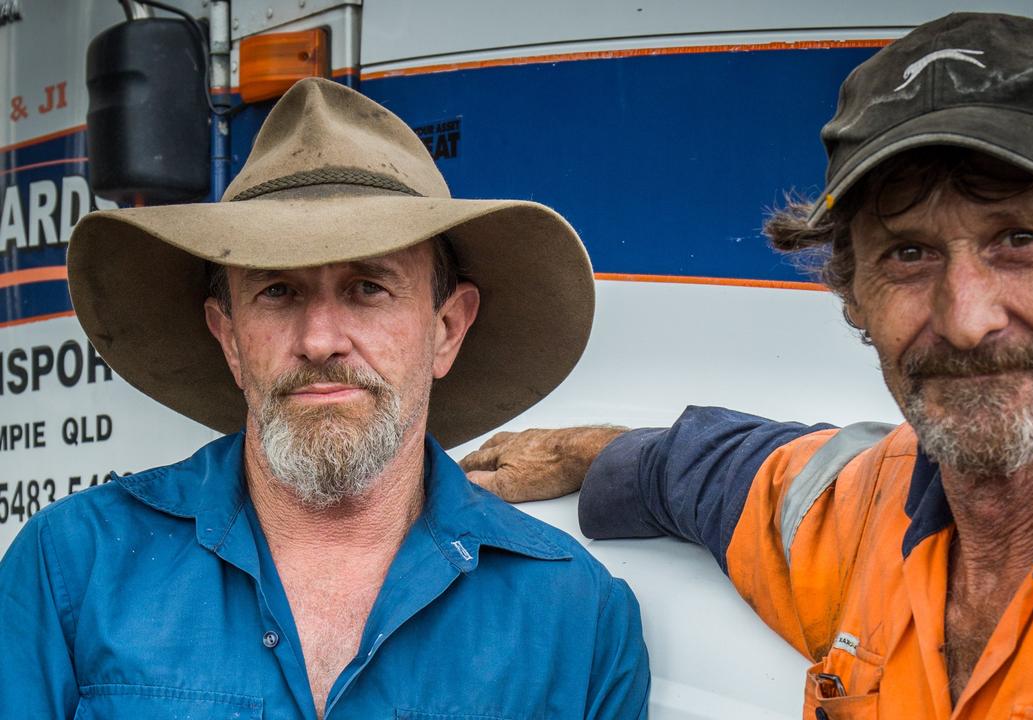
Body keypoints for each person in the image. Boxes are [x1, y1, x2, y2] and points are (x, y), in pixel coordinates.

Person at [461, 13, 1033, 719]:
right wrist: (576, 451)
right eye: (910, 252)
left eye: (1020, 238)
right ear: (851, 291)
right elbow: (707, 471)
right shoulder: (857, 510)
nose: (966, 319)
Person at [0, 78, 648, 719]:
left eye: (368, 287)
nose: (318, 340)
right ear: (227, 336)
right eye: (277, 291)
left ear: (447, 329)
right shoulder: (72, 568)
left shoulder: (575, 619)